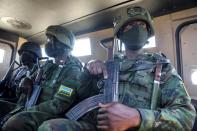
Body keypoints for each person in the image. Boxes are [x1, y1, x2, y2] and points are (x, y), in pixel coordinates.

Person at [38, 6, 196, 131]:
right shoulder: (109, 65)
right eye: (130, 26)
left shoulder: (162, 68)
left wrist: (137, 117)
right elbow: (83, 95)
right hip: (95, 126)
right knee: (49, 127)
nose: (137, 28)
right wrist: (88, 72)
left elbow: (186, 116)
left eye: (142, 25)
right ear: (119, 33)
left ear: (148, 32)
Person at [1, 25, 82, 131]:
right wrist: (25, 80)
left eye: (50, 40)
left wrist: (28, 110)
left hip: (48, 114)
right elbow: (21, 93)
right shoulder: (46, 65)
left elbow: (58, 105)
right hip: (26, 107)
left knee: (14, 123)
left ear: (62, 43)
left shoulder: (72, 72)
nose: (47, 43)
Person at [0, 41, 41, 118]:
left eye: (26, 53)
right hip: (10, 96)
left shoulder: (38, 72)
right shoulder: (20, 69)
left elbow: (25, 97)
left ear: (34, 56)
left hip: (20, 102)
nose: (22, 56)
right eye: (21, 53)